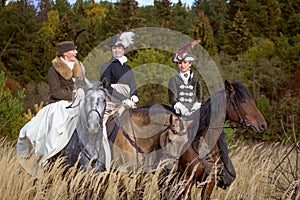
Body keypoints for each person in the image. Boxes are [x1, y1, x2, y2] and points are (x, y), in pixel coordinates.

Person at [168, 42, 236, 189]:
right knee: (172, 135)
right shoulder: (173, 80)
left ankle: (224, 169)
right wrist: (179, 106)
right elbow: (172, 98)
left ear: (190, 64)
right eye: (180, 63)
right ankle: (170, 167)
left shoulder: (196, 80)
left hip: (195, 112)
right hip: (179, 113)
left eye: (185, 62)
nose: (182, 65)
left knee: (217, 134)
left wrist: (195, 106)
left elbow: (199, 97)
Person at [17, 41, 86, 176]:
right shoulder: (53, 70)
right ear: (65, 53)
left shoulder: (80, 67)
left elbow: (84, 85)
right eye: (73, 51)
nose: (76, 53)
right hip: (60, 104)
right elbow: (56, 92)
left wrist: (83, 92)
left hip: (80, 102)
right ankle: (48, 157)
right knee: (56, 127)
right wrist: (74, 93)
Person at [99, 31, 139, 168]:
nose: (117, 50)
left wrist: (134, 95)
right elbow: (107, 86)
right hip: (111, 102)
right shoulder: (106, 65)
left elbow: (133, 85)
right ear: (111, 49)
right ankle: (103, 156)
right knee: (102, 127)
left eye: (120, 48)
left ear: (124, 49)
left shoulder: (128, 67)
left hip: (128, 102)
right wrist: (122, 99)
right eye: (114, 48)